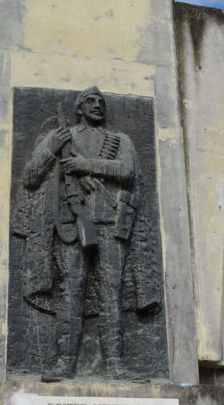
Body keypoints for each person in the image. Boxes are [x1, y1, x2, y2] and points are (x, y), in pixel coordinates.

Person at [18, 86, 140, 380]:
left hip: (110, 221)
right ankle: (65, 363)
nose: (97, 105)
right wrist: (52, 148)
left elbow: (127, 171)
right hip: (71, 222)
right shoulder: (61, 137)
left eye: (101, 101)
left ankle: (114, 364)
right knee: (70, 291)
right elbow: (30, 177)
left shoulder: (120, 140)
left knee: (112, 291)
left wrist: (84, 165)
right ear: (79, 108)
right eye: (90, 101)